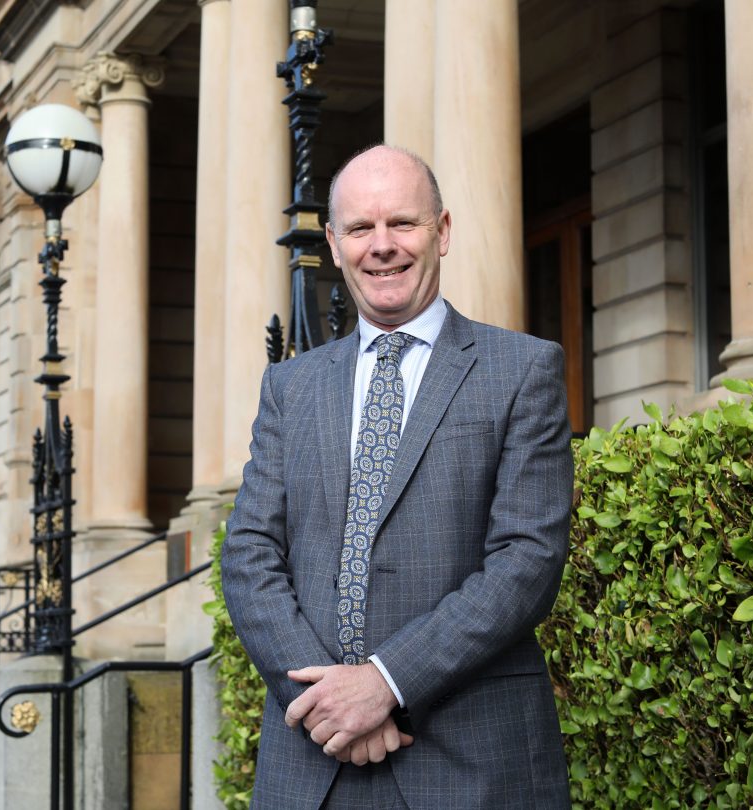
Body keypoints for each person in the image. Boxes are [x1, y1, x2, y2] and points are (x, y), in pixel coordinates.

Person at [222, 144, 573, 809]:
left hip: (471, 764)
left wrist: (385, 683)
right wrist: (324, 703)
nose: (381, 246)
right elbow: (248, 554)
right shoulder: (291, 387)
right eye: (360, 228)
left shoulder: (521, 371)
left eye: (402, 224)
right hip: (312, 764)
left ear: (441, 232)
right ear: (333, 243)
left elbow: (526, 562)